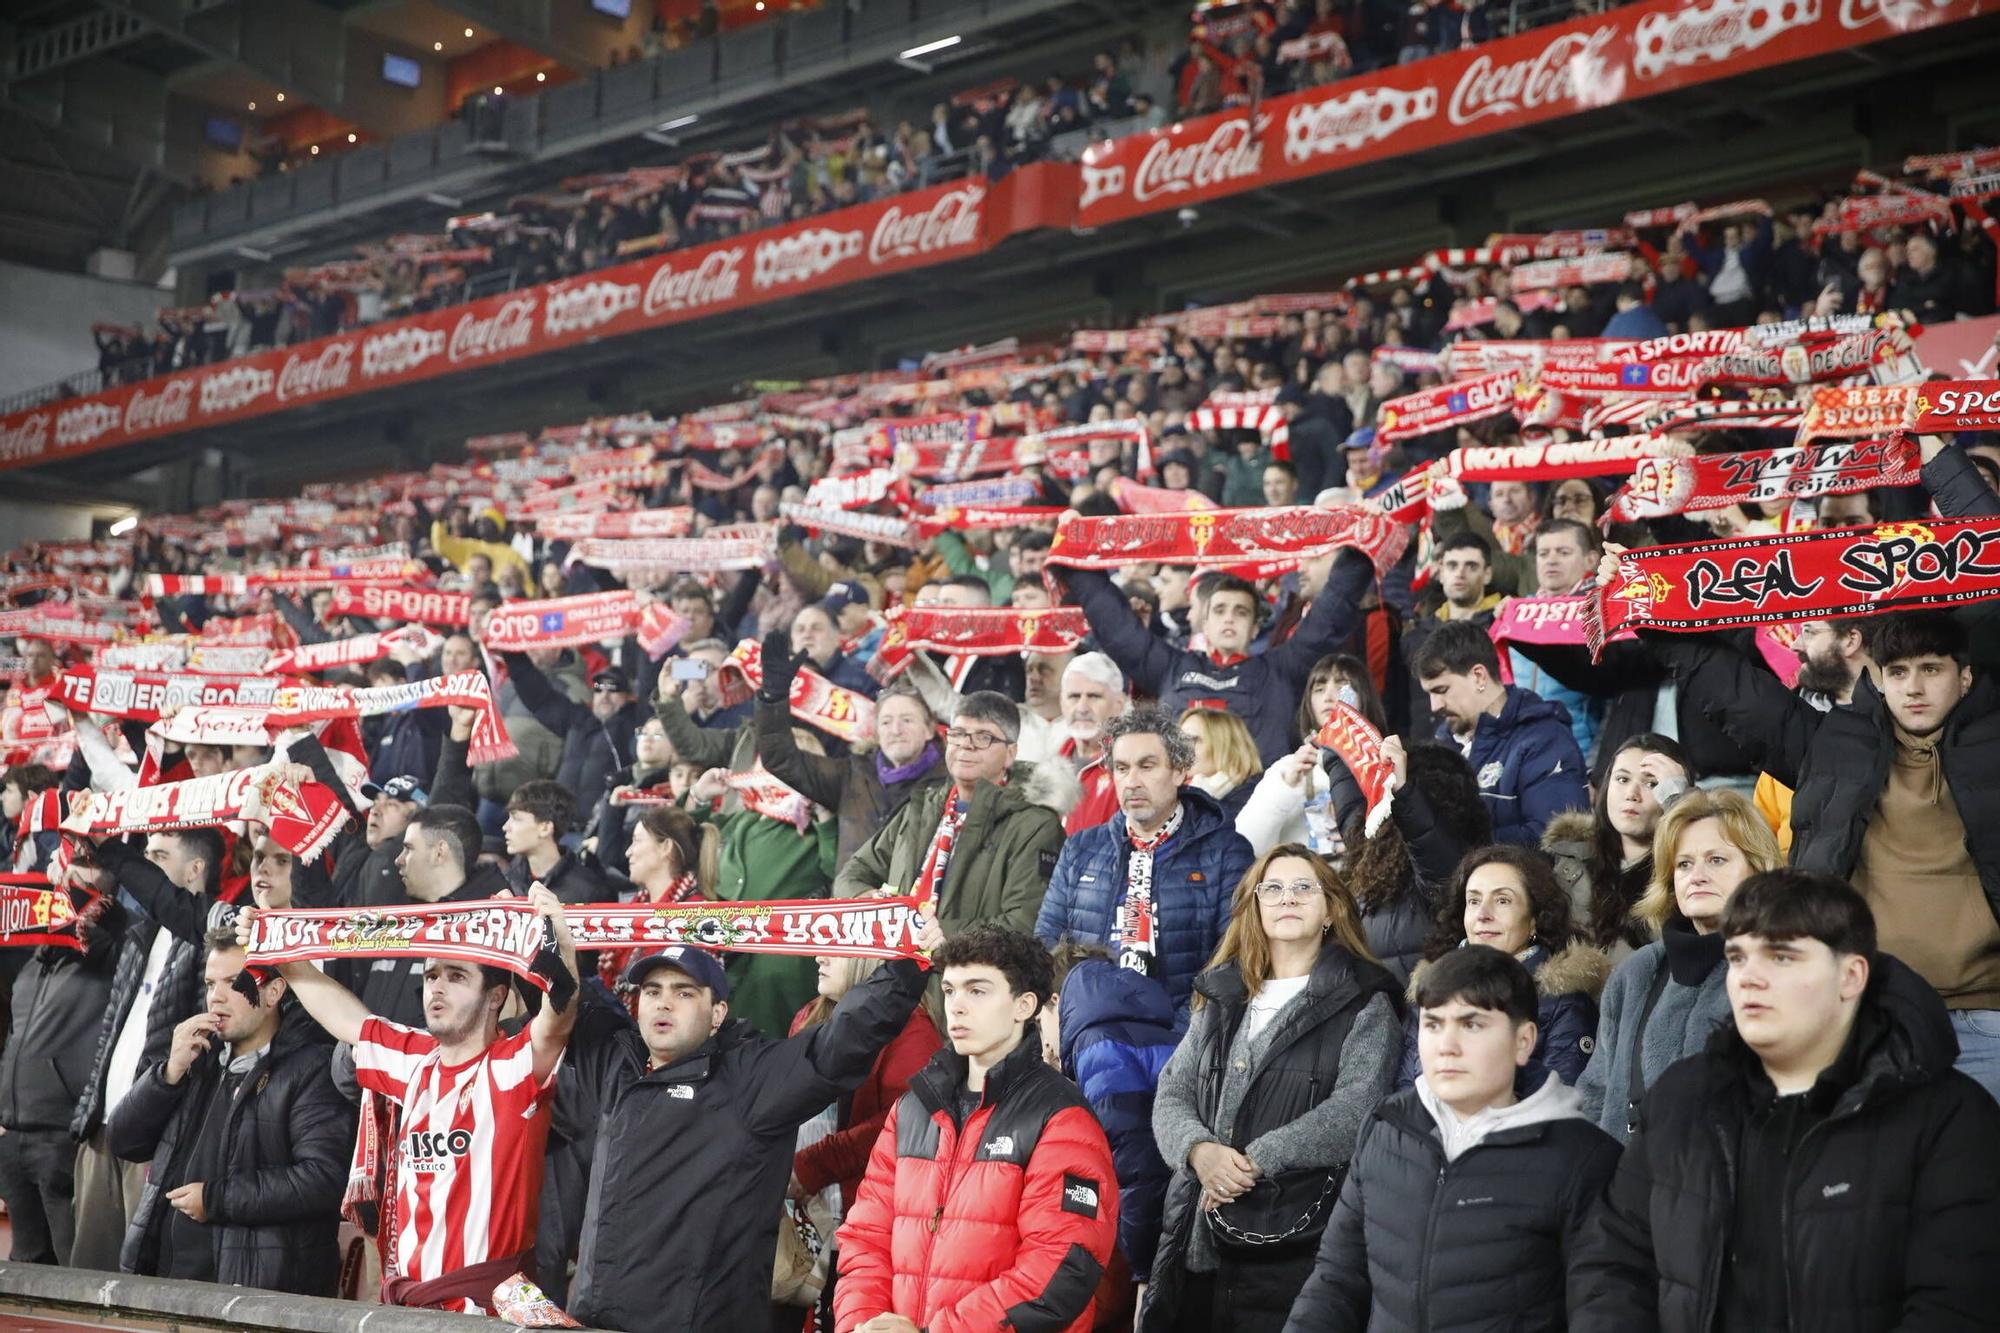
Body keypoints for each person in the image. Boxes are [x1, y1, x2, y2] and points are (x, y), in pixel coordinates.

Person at [1570, 871, 2000, 1331]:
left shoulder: (1951, 1118)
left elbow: (1957, 1306)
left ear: (1851, 976)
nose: (1749, 978)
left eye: (1781, 956)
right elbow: (1611, 1260)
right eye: (1737, 957)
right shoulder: (1682, 1098)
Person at [1647, 601, 2000, 1100]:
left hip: (1986, 1019)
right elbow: (1735, 690)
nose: (1914, 687)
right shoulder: (1834, 745)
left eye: (1931, 669)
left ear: (1964, 677)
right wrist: (1643, 602)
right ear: (1877, 679)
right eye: (1897, 671)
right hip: (1867, 1017)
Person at [564, 917, 945, 1330]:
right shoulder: (617, 1067)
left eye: (684, 992)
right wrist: (542, 939)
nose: (663, 1003)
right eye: (652, 992)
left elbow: (841, 1043)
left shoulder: (751, 1077)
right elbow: (565, 1002)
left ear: (717, 1013)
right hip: (594, 1320)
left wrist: (907, 966)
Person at [239, 883, 579, 1313]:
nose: (437, 988)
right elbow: (347, 1020)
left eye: (456, 977)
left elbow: (559, 1015)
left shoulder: (513, 1065)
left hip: (485, 1312)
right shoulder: (413, 1058)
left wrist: (560, 945)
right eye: (431, 975)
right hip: (407, 1307)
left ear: (496, 997)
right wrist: (277, 948)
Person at [1284, 947, 1620, 1333]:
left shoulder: (1584, 1159)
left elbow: (1604, 1308)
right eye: (1433, 1024)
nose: (1447, 1045)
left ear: (1524, 1041)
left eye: (1472, 1024)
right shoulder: (1385, 1128)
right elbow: (1337, 1279)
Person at [1144, 846, 1401, 1333]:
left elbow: (1357, 1109)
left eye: (1304, 887)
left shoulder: (1366, 1001)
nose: (1288, 898)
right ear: (1255, 906)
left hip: (1296, 1238)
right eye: (1274, 888)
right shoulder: (1221, 995)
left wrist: (1254, 1160)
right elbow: (1172, 1092)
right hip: (1195, 1239)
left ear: (1331, 909)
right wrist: (1200, 1152)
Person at [835, 926, 1121, 1333]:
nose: (957, 1007)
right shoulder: (913, 1108)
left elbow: (1061, 1266)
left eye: (978, 991)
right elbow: (865, 1237)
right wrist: (861, 1324)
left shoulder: (1062, 1117)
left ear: (1024, 1006)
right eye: (949, 991)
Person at [108, 926, 353, 1293]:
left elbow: (323, 1179)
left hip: (256, 1293)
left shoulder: (312, 1068)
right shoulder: (194, 1061)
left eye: (233, 982)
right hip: (166, 1281)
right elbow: (123, 1141)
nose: (216, 998)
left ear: (273, 992)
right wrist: (167, 1074)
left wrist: (216, 1200)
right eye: (209, 984)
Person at [1575, 788, 1781, 1142]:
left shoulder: (1782, 971)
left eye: (1717, 860)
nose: (1696, 875)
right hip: (1627, 1186)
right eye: (1684, 863)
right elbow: (1594, 1096)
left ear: (1757, 868)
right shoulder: (1634, 973)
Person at [1036, 707, 1256, 1023]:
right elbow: (1046, 946)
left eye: (1147, 766)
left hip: (1180, 1038)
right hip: (1088, 1029)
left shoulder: (1226, 852)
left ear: (1180, 771)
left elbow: (1233, 964)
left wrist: (1177, 1040)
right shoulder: (1081, 848)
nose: (1132, 781)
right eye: (1122, 768)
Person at [1065, 550, 1379, 765]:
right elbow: (1115, 627)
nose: (1229, 619)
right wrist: (1073, 553)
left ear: (1255, 627)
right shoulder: (1172, 667)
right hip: (1183, 813)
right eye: (1220, 610)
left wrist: (1359, 547)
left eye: (1240, 612)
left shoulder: (1280, 670)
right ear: (1205, 621)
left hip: (1256, 816)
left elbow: (1331, 616)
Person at [835, 691, 1072, 936]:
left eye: (984, 737)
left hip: (963, 970)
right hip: (895, 967)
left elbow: (1023, 923)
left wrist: (926, 935)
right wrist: (871, 901)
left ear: (1010, 753)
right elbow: (852, 874)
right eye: (958, 734)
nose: (966, 745)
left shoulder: (1036, 826)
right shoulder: (922, 807)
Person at [1397, 845, 1607, 1086]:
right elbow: (1404, 1094)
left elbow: (1560, 1104)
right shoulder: (1431, 989)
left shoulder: (1565, 1003)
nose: (1483, 914)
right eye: (1473, 901)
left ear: (1534, 920)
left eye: (1502, 900)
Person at [0, 868, 122, 1265]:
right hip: (13, 1135)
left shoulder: (106, 954)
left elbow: (124, 927)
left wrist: (95, 898)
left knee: (74, 1266)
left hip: (61, 1135)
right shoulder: (31, 964)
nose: (59, 886)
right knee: (24, 1266)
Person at [1052, 944, 1180, 1307]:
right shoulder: (1147, 1028)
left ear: (1055, 1002)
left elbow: (1136, 1167)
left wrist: (1144, 1269)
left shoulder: (1097, 1046)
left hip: (1159, 1246)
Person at [756, 647, 947, 866]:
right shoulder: (851, 774)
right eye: (886, 722)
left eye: (907, 720)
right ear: (876, 733)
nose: (895, 730)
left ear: (929, 729)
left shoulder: (950, 782)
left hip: (913, 899)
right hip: (852, 898)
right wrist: (773, 698)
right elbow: (780, 758)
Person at [1413, 619, 1587, 846]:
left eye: (1441, 690)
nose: (1434, 706)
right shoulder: (1444, 744)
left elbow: (1555, 841)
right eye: (1429, 694)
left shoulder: (1545, 741)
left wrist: (1454, 848)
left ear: (1479, 676)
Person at [1543, 734, 1692, 958]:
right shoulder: (1564, 860)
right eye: (1622, 779)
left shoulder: (1687, 874)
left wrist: (1680, 803)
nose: (1632, 795)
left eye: (1652, 784)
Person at [1236, 655, 1384, 859]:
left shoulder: (1385, 765)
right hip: (1303, 886)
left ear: (1365, 697)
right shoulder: (1286, 769)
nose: (1329, 697)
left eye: (1343, 686)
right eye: (1319, 689)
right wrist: (1287, 786)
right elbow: (1246, 846)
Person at [498, 654, 647, 814]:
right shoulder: (578, 719)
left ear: (628, 696)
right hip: (561, 822)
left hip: (600, 825)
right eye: (598, 688)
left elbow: (649, 683)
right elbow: (540, 698)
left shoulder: (635, 723)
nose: (604, 696)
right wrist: (511, 654)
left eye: (613, 689)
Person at [503, 779, 617, 904]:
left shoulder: (590, 891)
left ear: (545, 828)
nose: (506, 827)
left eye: (516, 819)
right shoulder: (506, 880)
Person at [1058, 652, 1131, 835]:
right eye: (1074, 696)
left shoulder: (1130, 768)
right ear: (1061, 702)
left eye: (1094, 696)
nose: (1082, 708)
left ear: (1119, 704)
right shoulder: (1051, 764)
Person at [1180, 706, 1262, 822]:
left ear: (1226, 746)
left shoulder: (1254, 795)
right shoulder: (1179, 789)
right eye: (1178, 739)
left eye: (1193, 739)